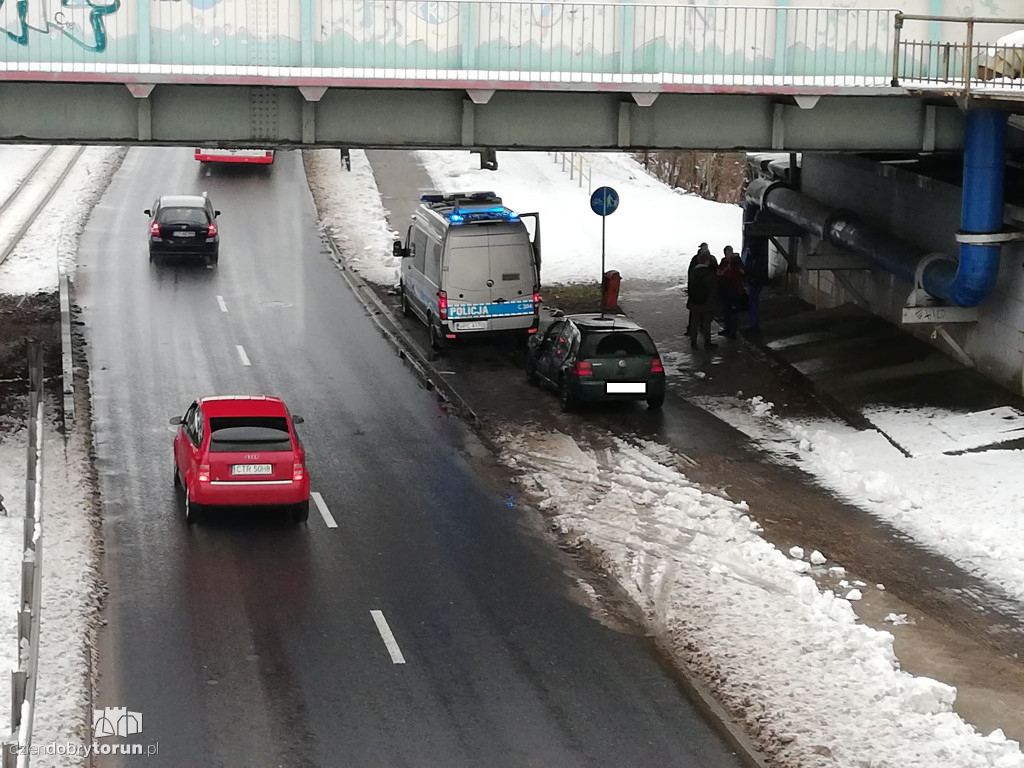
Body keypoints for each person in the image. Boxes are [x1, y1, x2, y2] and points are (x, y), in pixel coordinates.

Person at [687, 252, 718, 349]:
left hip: (694, 302)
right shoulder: (710, 274)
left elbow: (690, 287)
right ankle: (707, 342)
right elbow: (714, 289)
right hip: (707, 304)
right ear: (707, 261)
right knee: (706, 324)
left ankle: (693, 342)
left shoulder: (693, 273)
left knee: (694, 323)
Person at [716, 246, 746, 339]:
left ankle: (733, 331)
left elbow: (742, 272)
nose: (728, 255)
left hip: (734, 290)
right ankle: (727, 329)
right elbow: (718, 272)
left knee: (733, 312)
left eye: (729, 253)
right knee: (726, 311)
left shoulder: (736, 261)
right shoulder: (724, 261)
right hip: (724, 290)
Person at [743, 241, 769, 332]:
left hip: (755, 284)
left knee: (753, 305)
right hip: (756, 283)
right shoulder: (759, 260)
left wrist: (750, 279)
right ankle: (754, 325)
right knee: (754, 304)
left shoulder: (755, 261)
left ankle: (754, 326)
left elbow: (754, 272)